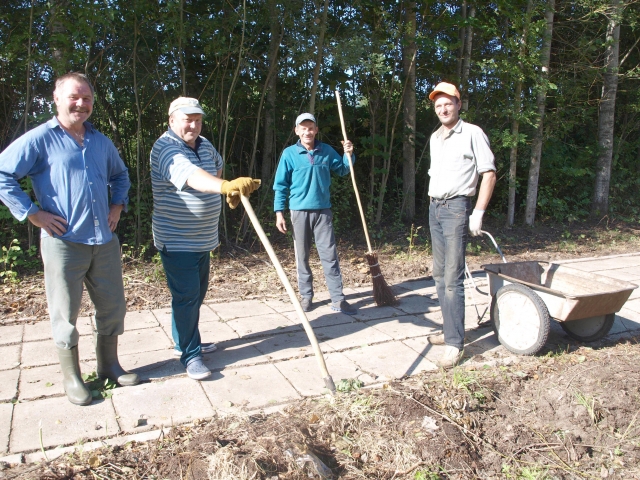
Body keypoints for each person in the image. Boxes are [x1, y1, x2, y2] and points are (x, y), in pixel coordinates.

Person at [0, 72, 139, 405]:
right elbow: (3, 173)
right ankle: (72, 377)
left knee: (112, 307)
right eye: (74, 97)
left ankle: (109, 367)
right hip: (64, 243)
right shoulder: (39, 140)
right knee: (65, 313)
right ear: (57, 98)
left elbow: (120, 175)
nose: (81, 103)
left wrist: (118, 204)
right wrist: (32, 213)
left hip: (103, 240)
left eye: (87, 98)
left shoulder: (100, 141)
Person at [150, 96, 260, 381]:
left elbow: (216, 166)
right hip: (176, 239)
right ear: (172, 120)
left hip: (203, 238)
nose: (194, 124)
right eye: (187, 119)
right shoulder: (166, 147)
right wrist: (224, 187)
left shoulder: (205, 144)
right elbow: (192, 176)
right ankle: (190, 354)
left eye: (198, 119)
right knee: (186, 297)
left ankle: (182, 341)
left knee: (194, 295)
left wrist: (227, 194)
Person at [426, 82, 497, 368]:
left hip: (457, 209)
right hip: (435, 208)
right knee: (439, 275)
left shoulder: (473, 133)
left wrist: (478, 212)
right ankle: (449, 330)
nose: (443, 109)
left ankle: (456, 345)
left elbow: (489, 173)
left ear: (458, 104)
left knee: (453, 279)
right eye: (438, 105)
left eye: (448, 103)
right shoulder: (435, 137)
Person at [273, 113, 357, 315]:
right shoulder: (289, 154)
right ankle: (306, 296)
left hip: (323, 211)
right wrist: (279, 212)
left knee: (330, 256)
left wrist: (349, 154)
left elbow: (344, 170)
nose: (307, 131)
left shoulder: (326, 151)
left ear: (316, 130)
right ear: (297, 131)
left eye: (311, 127)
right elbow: (280, 185)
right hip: (298, 211)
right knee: (302, 256)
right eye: (303, 128)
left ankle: (338, 298)